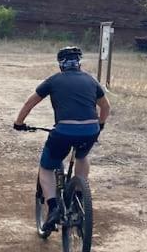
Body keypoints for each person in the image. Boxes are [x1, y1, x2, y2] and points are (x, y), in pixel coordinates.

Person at [13, 46, 110, 232]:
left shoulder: (53, 80)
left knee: (46, 167)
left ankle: (53, 208)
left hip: (64, 130)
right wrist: (100, 125)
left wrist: (19, 123)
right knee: (82, 156)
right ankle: (80, 196)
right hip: (91, 129)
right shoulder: (91, 80)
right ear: (79, 63)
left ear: (60, 64)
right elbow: (106, 107)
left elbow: (29, 103)